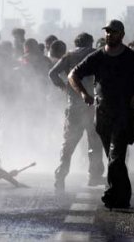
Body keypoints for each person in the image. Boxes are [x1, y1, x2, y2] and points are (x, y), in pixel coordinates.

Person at [69, 20, 134, 209]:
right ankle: (123, 196)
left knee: (115, 156)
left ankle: (111, 193)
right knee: (115, 158)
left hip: (124, 114)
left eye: (113, 32)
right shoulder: (98, 56)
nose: (109, 35)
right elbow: (73, 75)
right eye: (107, 32)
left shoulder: (131, 57)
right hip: (103, 114)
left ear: (121, 35)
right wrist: (83, 93)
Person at [49, 33, 104, 192]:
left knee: (69, 144)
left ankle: (60, 175)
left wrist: (64, 87)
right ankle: (94, 176)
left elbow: (52, 73)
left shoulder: (69, 56)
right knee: (94, 142)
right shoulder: (97, 54)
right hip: (93, 106)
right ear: (90, 42)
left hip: (74, 106)